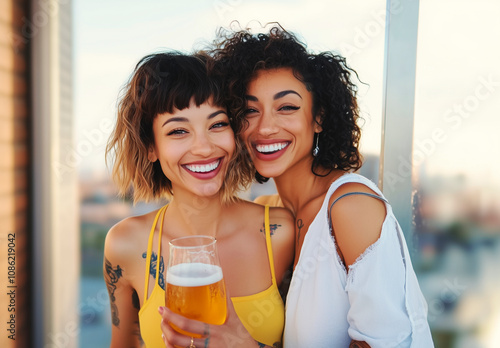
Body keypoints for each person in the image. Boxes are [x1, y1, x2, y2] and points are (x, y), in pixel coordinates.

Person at [160, 26, 434, 347]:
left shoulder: (350, 207)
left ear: (318, 117)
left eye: (287, 107)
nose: (265, 127)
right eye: (250, 110)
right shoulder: (269, 214)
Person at [104, 51, 295, 348]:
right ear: (151, 148)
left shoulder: (283, 233)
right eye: (178, 131)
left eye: (217, 124)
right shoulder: (125, 244)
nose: (204, 148)